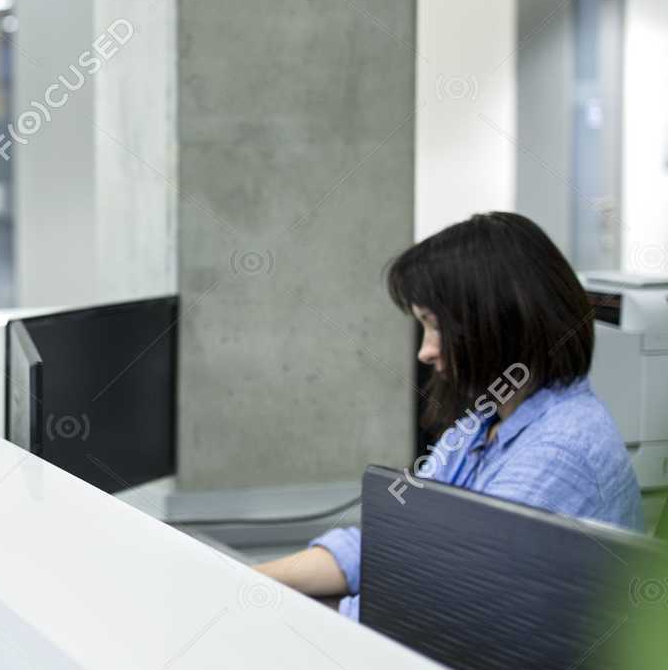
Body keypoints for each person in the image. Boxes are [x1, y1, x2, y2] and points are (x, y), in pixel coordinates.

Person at [258, 211, 642, 619]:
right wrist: (249, 578)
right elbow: (391, 541)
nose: (425, 350)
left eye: (436, 327)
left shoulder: (561, 452)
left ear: (500, 324)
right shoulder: (484, 422)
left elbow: (448, 603)